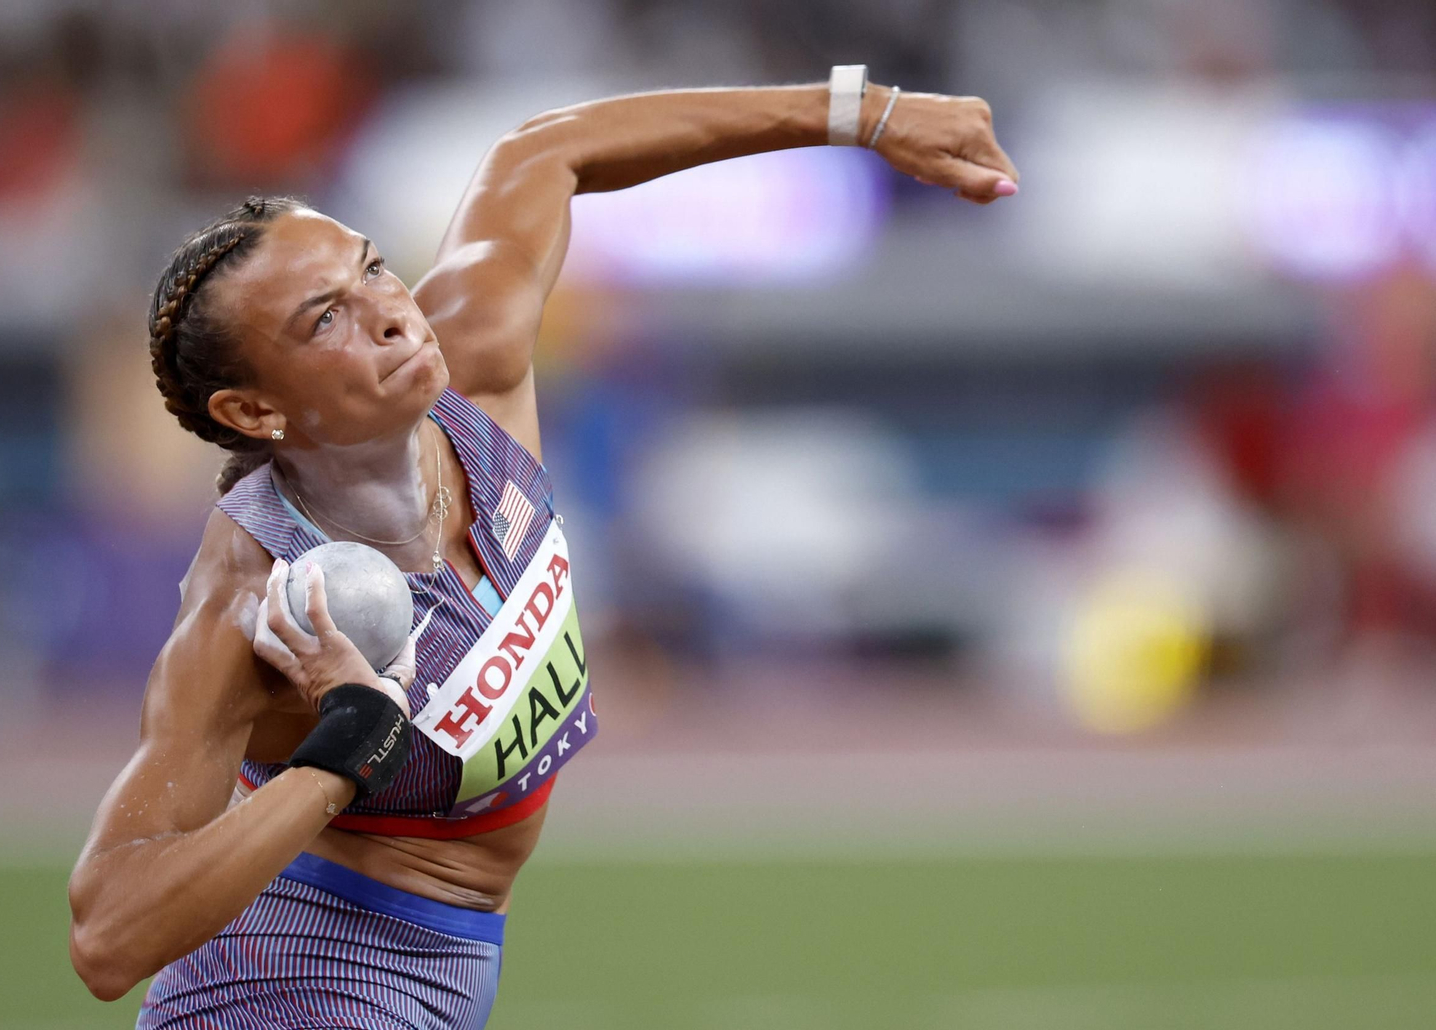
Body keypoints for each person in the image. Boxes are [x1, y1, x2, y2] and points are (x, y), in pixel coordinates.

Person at [67, 68, 1018, 1029]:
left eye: (372, 268)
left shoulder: (472, 363)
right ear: (251, 409)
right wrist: (336, 757)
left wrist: (863, 113)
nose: (390, 312)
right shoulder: (255, 599)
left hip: (451, 968)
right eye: (325, 320)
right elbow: (108, 936)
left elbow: (546, 152)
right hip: (306, 983)